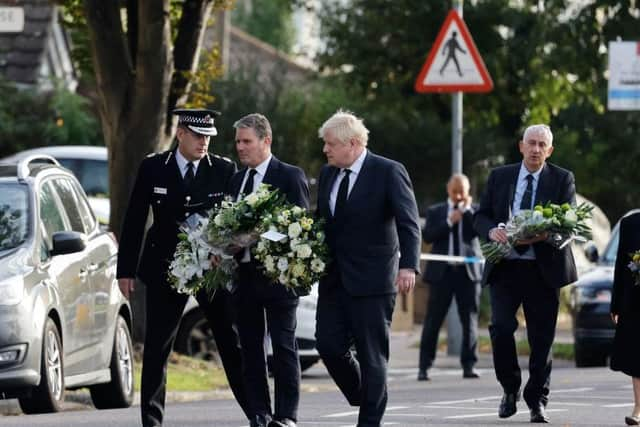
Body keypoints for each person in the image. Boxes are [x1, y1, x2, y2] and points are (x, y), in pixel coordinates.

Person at [116, 109, 249, 427]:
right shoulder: (153, 168)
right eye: (199, 136)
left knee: (231, 343)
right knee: (158, 346)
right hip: (165, 268)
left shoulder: (223, 169)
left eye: (208, 137)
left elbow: (233, 220)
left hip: (211, 270)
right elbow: (135, 219)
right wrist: (125, 270)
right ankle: (152, 420)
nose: (204, 143)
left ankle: (257, 414)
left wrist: (228, 253)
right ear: (181, 134)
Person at [315, 110, 421, 427]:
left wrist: (409, 266)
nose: (325, 150)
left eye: (331, 144)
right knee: (328, 345)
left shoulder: (388, 171)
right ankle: (366, 394)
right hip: (334, 278)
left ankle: (369, 420)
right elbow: (323, 222)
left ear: (355, 143)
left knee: (372, 356)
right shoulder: (328, 174)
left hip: (374, 279)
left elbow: (409, 222)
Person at [474, 124, 577, 424]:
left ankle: (537, 401)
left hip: (543, 270)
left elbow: (567, 221)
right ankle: (509, 388)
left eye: (541, 145)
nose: (535, 149)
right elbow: (481, 216)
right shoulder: (500, 176)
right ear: (521, 146)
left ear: (550, 150)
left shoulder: (562, 179)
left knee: (542, 339)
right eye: (531, 143)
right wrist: (491, 230)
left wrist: (541, 234)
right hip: (506, 267)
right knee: (501, 328)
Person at [228, 113, 310, 427]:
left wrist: (259, 235)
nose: (240, 147)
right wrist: (224, 246)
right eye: (237, 141)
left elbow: (299, 230)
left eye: (247, 141)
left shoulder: (289, 175)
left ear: (266, 141)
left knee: (284, 346)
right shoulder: (236, 180)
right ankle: (259, 413)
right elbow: (228, 227)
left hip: (279, 277)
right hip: (244, 277)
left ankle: (286, 415)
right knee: (249, 350)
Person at [417, 173, 482, 381]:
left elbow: (479, 231)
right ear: (448, 190)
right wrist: (449, 221)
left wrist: (467, 211)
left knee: (469, 320)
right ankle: (424, 367)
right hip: (441, 274)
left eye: (462, 192)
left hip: (467, 274)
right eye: (455, 192)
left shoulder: (475, 211)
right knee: (433, 321)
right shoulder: (436, 211)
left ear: (468, 191)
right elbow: (428, 235)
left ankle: (469, 365)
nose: (458, 196)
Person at [610, 211, 640, 426]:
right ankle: (638, 408)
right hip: (635, 301)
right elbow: (621, 264)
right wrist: (616, 303)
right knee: (636, 355)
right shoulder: (629, 223)